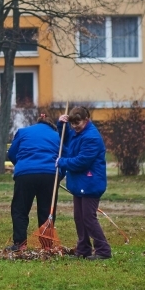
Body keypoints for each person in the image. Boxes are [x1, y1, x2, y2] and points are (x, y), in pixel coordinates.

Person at [57, 106, 111, 260]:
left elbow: (82, 161)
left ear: (86, 120)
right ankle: (83, 249)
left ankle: (103, 250)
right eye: (72, 123)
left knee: (88, 217)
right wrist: (61, 125)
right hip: (80, 183)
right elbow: (65, 139)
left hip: (91, 182)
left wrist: (62, 162)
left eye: (77, 123)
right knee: (79, 217)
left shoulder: (91, 137)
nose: (74, 127)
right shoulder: (77, 132)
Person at [5, 114, 62, 252]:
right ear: (51, 125)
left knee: (20, 209)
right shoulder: (58, 136)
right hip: (49, 174)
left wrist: (21, 166)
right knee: (47, 210)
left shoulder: (23, 132)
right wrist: (59, 177)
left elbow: (12, 153)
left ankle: (20, 244)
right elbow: (63, 157)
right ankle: (47, 245)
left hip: (25, 174)